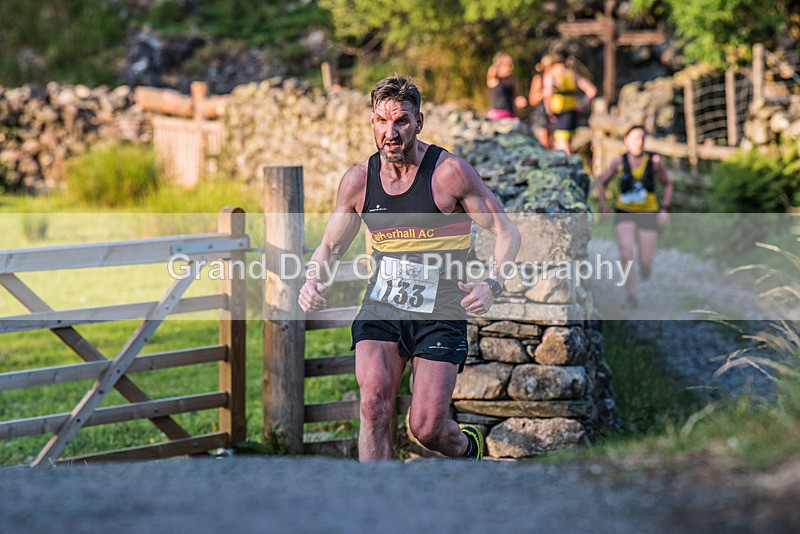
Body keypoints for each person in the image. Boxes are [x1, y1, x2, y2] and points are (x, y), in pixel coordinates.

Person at [298, 74, 521, 462]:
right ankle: (378, 511)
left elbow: (507, 232)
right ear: (372, 123)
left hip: (440, 311)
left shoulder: (448, 174)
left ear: (419, 122)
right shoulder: (358, 182)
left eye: (401, 121)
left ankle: (469, 448)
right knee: (372, 408)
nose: (391, 132)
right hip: (383, 307)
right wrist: (312, 280)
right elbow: (330, 247)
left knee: (427, 428)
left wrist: (492, 285)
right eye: (382, 122)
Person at [596, 125, 674, 309]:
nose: (639, 142)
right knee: (626, 252)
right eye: (635, 138)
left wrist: (665, 208)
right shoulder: (618, 162)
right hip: (625, 212)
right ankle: (631, 295)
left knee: (645, 258)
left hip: (648, 212)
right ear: (626, 141)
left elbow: (667, 184)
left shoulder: (654, 161)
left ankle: (646, 268)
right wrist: (603, 206)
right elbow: (602, 183)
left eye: (642, 138)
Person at [542, 52, 597, 154]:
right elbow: (591, 90)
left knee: (561, 144)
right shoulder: (572, 74)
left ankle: (566, 166)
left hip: (559, 112)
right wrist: (582, 104)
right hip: (572, 111)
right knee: (568, 142)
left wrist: (548, 111)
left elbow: (547, 95)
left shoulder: (551, 75)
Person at [486, 52, 528, 120]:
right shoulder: (495, 80)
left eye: (510, 65)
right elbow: (492, 70)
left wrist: (518, 100)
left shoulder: (511, 80)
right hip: (498, 115)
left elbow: (513, 98)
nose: (510, 68)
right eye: (507, 65)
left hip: (510, 114)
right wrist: (502, 60)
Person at [528, 54, 555, 149]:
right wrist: (543, 93)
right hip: (541, 114)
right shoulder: (539, 79)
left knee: (554, 141)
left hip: (554, 113)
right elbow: (532, 100)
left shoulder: (556, 79)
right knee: (544, 141)